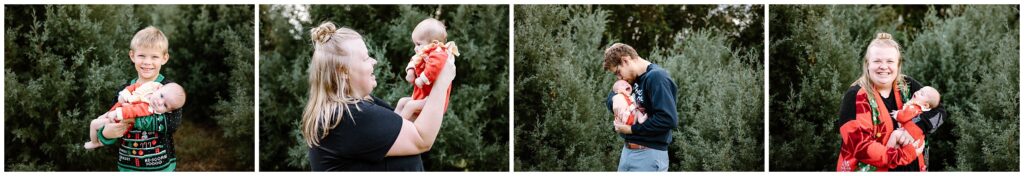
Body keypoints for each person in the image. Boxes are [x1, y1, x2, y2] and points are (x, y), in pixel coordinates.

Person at [301, 22, 456, 171]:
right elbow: (422, 140)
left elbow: (387, 141)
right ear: (343, 71)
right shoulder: (349, 115)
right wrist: (442, 83)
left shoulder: (359, 106)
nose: (374, 61)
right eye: (366, 58)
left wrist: (406, 108)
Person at [836, 33, 948, 172]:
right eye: (877, 61)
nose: (884, 66)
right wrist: (902, 156)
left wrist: (916, 127)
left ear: (898, 64)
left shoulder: (907, 85)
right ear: (867, 64)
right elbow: (859, 146)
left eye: (890, 61)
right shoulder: (855, 96)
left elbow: (940, 111)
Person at [95, 26, 186, 171]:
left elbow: (172, 123)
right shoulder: (124, 92)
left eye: (154, 57)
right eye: (142, 56)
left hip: (160, 166)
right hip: (128, 165)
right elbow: (112, 118)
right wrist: (106, 134)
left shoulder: (169, 90)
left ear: (164, 58)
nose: (147, 62)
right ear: (132, 56)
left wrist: (132, 118)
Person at [603, 43, 678, 172]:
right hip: (627, 152)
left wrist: (631, 129)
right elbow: (610, 99)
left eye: (618, 72)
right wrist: (616, 98)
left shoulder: (657, 77)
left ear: (625, 60)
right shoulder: (630, 79)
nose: (619, 78)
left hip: (649, 154)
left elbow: (668, 120)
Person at [85, 82, 186, 150]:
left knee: (94, 124)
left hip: (118, 120)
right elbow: (134, 87)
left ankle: (95, 143)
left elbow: (133, 111)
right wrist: (124, 94)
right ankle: (99, 140)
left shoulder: (148, 108)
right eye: (161, 96)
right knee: (99, 121)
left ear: (168, 111)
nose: (159, 102)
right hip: (113, 113)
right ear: (158, 88)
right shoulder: (148, 89)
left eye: (165, 105)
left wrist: (117, 113)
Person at [400, 18, 459, 115]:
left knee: (409, 106)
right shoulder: (425, 53)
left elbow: (434, 67)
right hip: (423, 94)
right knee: (402, 102)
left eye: (418, 44)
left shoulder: (439, 54)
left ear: (434, 43)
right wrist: (410, 71)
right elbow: (414, 60)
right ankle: (396, 123)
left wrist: (422, 79)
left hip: (434, 99)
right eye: (414, 44)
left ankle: (399, 127)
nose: (415, 48)